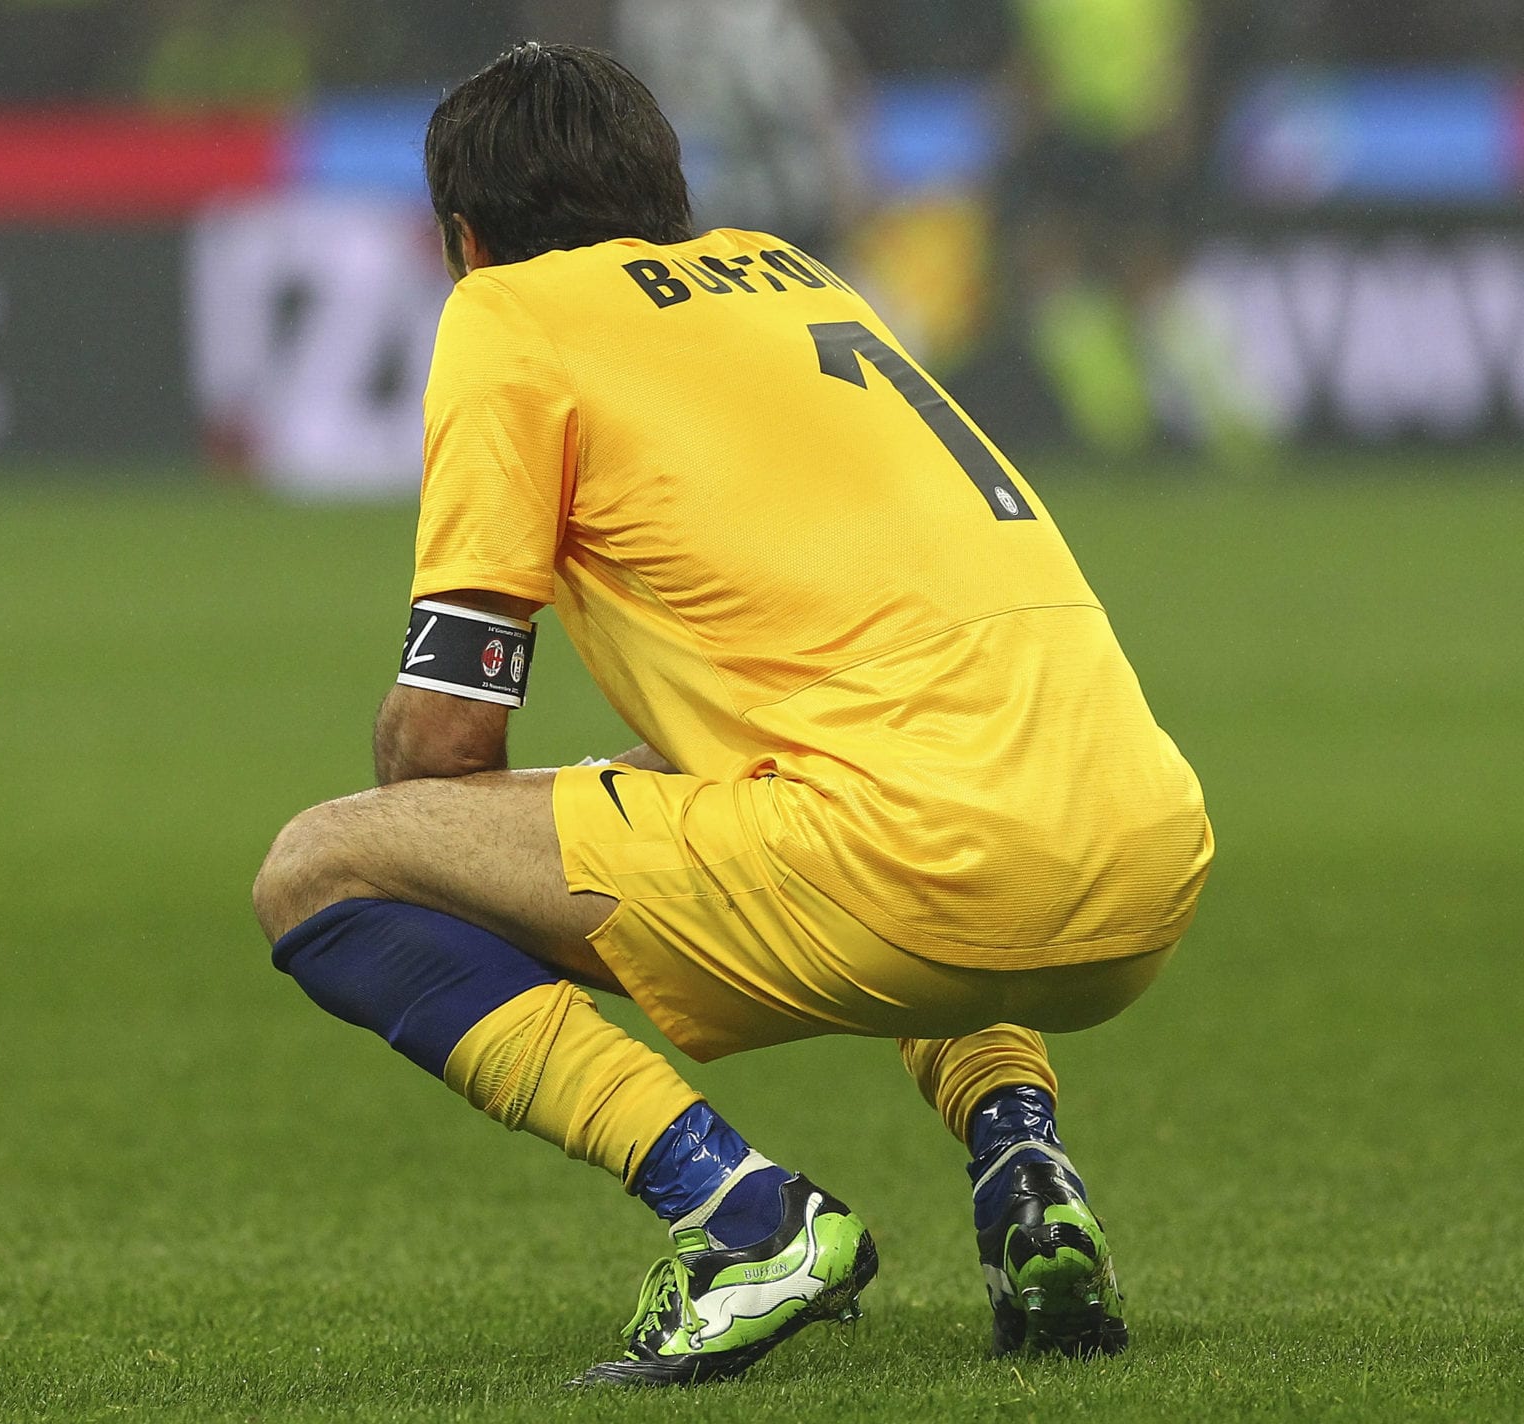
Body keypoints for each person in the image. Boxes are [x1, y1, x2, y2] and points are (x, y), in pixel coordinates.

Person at [252, 41, 1212, 1387]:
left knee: (326, 866)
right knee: (856, 776)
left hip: (916, 867)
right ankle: (1022, 1157)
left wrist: (453, 830)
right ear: (669, 192)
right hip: (1143, 861)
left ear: (465, 239)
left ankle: (747, 1220)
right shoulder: (796, 275)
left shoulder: (508, 313)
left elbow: (447, 743)